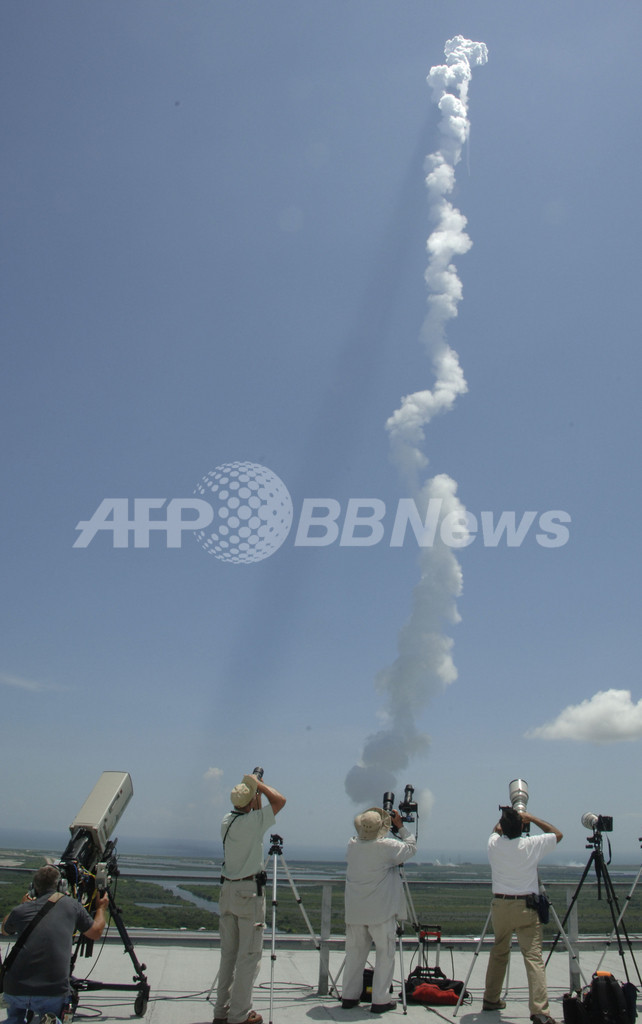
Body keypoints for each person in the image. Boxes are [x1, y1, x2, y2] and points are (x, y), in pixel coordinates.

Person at [213, 771, 286, 1024]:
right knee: (248, 958)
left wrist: (252, 793)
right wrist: (261, 786)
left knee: (228, 956)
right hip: (248, 894)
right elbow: (280, 801)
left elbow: (251, 812)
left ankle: (221, 1012)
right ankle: (239, 1016)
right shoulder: (253, 822)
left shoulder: (227, 820)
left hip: (228, 891)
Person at [483, 806, 563, 1024]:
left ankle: (491, 999)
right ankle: (539, 1011)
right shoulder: (530, 845)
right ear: (522, 825)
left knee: (499, 951)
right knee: (533, 957)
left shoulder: (493, 844)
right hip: (525, 907)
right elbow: (557, 834)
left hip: (500, 905)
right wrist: (532, 817)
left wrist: (507, 820)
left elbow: (496, 830)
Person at [1, 864, 108, 1024]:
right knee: (54, 1009)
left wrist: (23, 905)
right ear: (61, 885)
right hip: (51, 990)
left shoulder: (21, 911)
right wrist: (100, 908)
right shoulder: (72, 906)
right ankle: (51, 1020)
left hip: (15, 988)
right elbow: (96, 932)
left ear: (33, 888)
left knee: (15, 1016)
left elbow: (4, 929)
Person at [341, 805, 417, 1015]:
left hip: (355, 911)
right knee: (385, 954)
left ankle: (348, 996)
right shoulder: (387, 847)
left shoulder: (352, 845)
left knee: (355, 954)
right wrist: (400, 827)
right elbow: (411, 847)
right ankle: (380, 1000)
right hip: (380, 912)